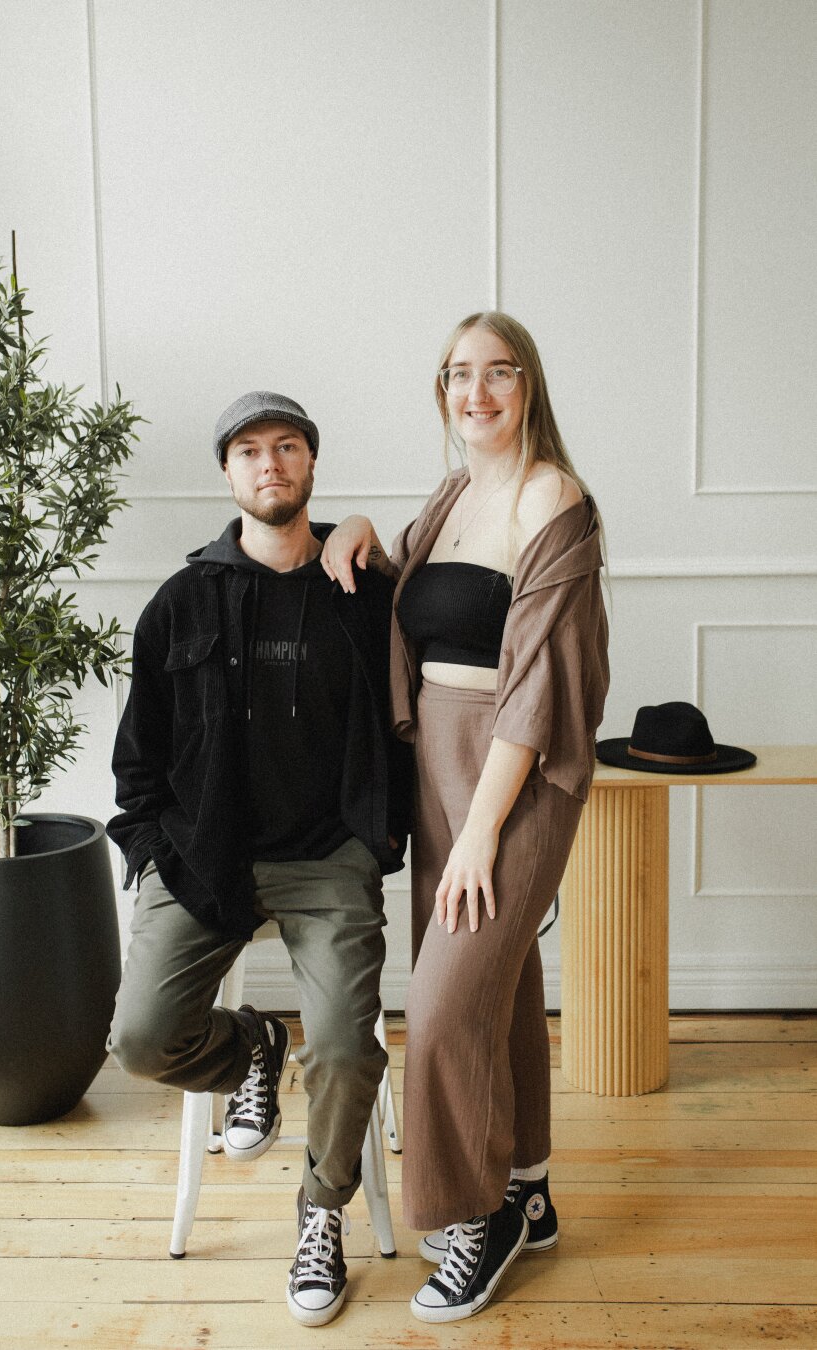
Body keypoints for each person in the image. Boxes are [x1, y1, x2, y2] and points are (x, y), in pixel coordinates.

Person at [321, 311, 609, 1324]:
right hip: (434, 759)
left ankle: (473, 1220)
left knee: (442, 1007)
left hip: (511, 772)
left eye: (497, 374)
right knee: (503, 982)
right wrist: (358, 531)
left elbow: (536, 686)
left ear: (530, 385)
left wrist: (485, 828)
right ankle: (526, 1186)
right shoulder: (454, 495)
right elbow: (411, 588)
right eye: (457, 376)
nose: (475, 393)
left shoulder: (554, 502)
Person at [106, 391, 410, 1327]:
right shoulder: (180, 601)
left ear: (312, 465)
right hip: (206, 856)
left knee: (353, 1049)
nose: (270, 463)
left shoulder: (363, 592)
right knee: (140, 1041)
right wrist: (159, 853)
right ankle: (253, 1049)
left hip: (329, 859)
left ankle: (321, 1213)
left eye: (287, 447)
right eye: (249, 450)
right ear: (228, 474)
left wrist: (368, 535)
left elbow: (440, 599)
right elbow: (136, 763)